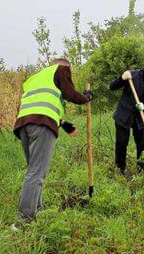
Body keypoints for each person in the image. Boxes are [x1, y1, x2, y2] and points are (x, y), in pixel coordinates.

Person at [12, 58, 93, 229]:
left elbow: (42, 106)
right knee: (36, 173)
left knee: (33, 170)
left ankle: (38, 210)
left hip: (24, 125)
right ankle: (23, 221)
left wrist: (65, 125)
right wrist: (86, 98)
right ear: (66, 67)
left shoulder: (36, 77)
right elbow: (70, 94)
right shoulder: (61, 69)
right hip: (42, 125)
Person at [110, 61, 144, 174]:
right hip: (124, 114)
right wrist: (122, 78)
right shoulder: (132, 75)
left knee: (143, 143)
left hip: (140, 117)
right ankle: (120, 168)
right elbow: (112, 86)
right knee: (122, 143)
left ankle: (141, 168)